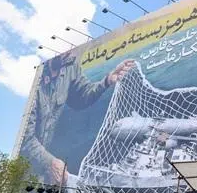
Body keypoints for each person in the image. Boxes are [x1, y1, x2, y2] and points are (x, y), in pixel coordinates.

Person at [20, 53, 134, 185]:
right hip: (23, 166)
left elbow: (82, 96)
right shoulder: (36, 81)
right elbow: (25, 138)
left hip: (42, 166)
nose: (68, 56)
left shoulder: (71, 66)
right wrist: (50, 162)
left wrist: (107, 80)